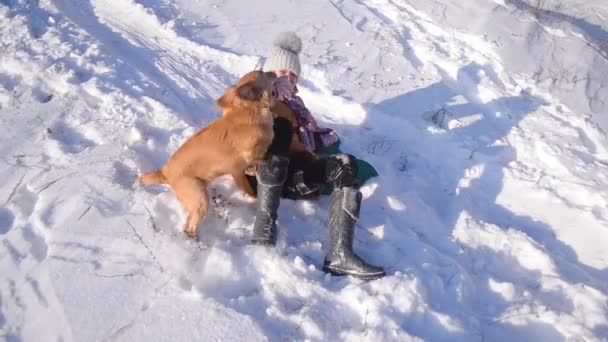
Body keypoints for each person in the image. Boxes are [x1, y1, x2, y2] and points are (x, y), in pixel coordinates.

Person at [250, 32, 385, 280]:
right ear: (269, 75)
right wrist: (268, 97)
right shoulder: (254, 98)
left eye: (293, 75)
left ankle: (339, 255)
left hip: (294, 177)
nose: (289, 78)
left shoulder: (297, 107)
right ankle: (263, 229)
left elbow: (310, 144)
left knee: (346, 164)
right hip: (262, 174)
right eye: (282, 73)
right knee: (279, 128)